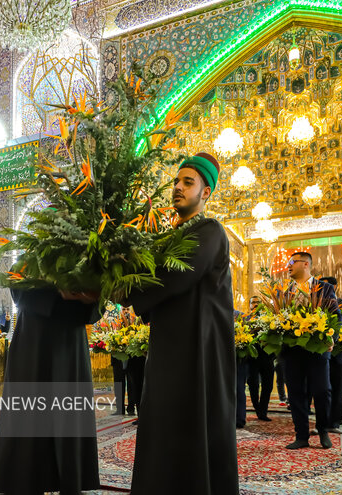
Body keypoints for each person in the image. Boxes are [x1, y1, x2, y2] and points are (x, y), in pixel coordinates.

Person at [126, 152, 239, 495]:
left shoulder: (211, 230)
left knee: (194, 426)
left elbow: (177, 275)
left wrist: (128, 286)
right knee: (163, 425)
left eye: (188, 182)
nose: (178, 187)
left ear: (205, 193)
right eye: (177, 181)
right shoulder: (168, 237)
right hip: (168, 347)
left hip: (198, 351)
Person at [0, 288, 101, 493]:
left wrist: (92, 296)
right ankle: (26, 475)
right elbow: (18, 288)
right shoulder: (25, 264)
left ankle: (70, 476)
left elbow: (96, 302)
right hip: (35, 335)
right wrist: (59, 290)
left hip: (69, 335)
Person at [283, 252, 340, 450]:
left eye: (292, 262)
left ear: (306, 264)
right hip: (292, 349)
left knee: (322, 390)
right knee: (296, 393)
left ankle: (323, 429)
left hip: (317, 347)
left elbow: (336, 315)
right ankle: (301, 436)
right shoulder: (284, 291)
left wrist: (332, 337)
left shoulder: (325, 288)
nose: (288, 266)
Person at [320, 276, 342, 433]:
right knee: (322, 389)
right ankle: (322, 421)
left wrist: (339, 337)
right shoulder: (316, 303)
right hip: (321, 352)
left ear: (334, 287)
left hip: (340, 353)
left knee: (337, 389)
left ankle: (333, 423)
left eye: (326, 286)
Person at [246, 295, 274, 421]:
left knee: (268, 385)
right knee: (253, 384)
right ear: (250, 305)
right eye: (253, 302)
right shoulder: (246, 319)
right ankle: (257, 408)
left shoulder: (268, 319)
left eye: (258, 302)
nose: (256, 304)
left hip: (267, 357)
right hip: (252, 358)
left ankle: (263, 411)